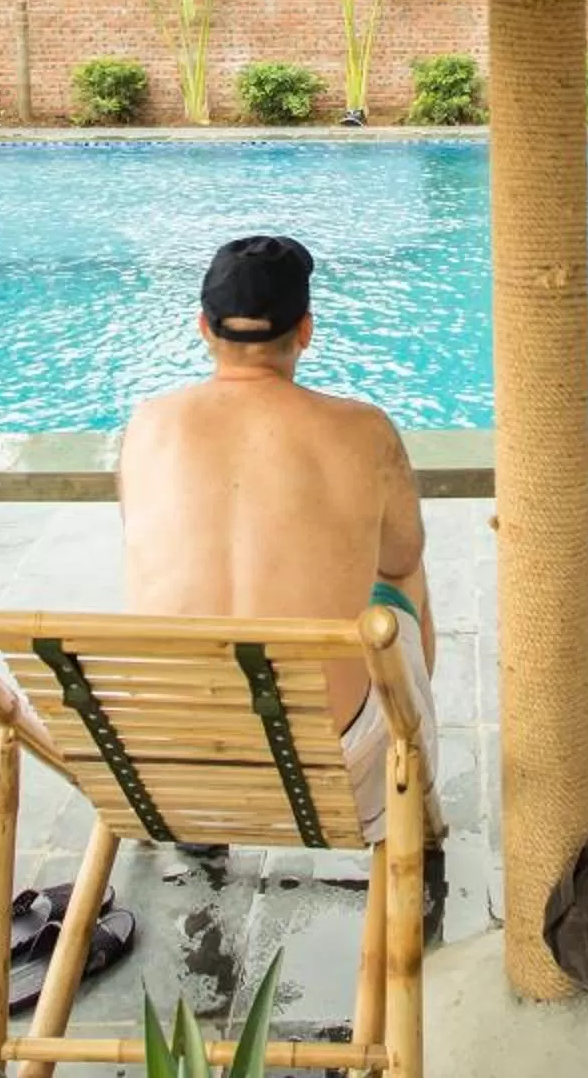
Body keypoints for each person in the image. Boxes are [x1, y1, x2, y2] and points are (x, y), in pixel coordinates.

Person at [119, 234, 437, 840]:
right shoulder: (363, 429)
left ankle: (208, 830)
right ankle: (407, 755)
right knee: (403, 572)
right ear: (307, 331)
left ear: (203, 328)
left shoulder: (148, 425)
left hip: (174, 761)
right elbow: (402, 557)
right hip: (333, 763)